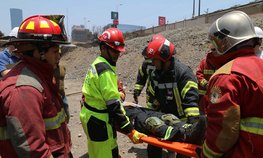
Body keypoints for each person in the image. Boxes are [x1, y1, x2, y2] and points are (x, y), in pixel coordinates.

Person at [202, 11, 263, 158]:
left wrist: (207, 154)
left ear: (225, 42)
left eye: (215, 44)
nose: (212, 50)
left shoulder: (228, 76)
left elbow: (223, 130)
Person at [0, 15, 72, 157]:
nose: (59, 56)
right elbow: (34, 150)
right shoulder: (23, 89)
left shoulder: (41, 77)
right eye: (54, 50)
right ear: (39, 53)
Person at [80, 27, 146, 158]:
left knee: (107, 149)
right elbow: (114, 105)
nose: (117, 54)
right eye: (114, 51)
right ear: (103, 48)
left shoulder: (99, 63)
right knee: (102, 154)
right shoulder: (105, 69)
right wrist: (130, 131)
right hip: (98, 120)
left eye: (119, 51)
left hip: (94, 116)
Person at [144, 34, 201, 158]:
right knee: (153, 148)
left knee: (183, 154)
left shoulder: (184, 74)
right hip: (163, 119)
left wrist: (192, 129)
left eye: (154, 59)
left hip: (182, 123)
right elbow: (151, 100)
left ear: (164, 58)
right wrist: (149, 118)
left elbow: (191, 103)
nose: (152, 62)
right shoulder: (155, 75)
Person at [124, 104, 206, 145]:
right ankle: (183, 134)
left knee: (168, 118)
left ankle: (189, 129)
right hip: (124, 112)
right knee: (152, 122)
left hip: (137, 107)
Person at [196, 43, 218, 114]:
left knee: (215, 112)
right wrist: (205, 84)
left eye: (216, 50)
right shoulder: (204, 62)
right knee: (203, 114)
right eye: (213, 50)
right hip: (203, 95)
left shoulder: (222, 62)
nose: (214, 52)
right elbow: (199, 74)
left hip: (215, 94)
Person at [53, 48, 70, 123]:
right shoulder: (50, 68)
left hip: (62, 95)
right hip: (54, 96)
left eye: (59, 55)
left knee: (66, 112)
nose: (58, 57)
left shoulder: (62, 67)